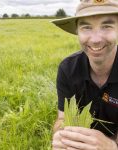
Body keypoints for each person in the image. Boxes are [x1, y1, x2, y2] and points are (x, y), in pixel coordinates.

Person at [51, 0, 118, 149]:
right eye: (86, 27)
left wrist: (111, 146)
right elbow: (62, 117)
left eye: (107, 26)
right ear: (77, 31)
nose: (95, 40)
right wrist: (62, 136)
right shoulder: (67, 69)